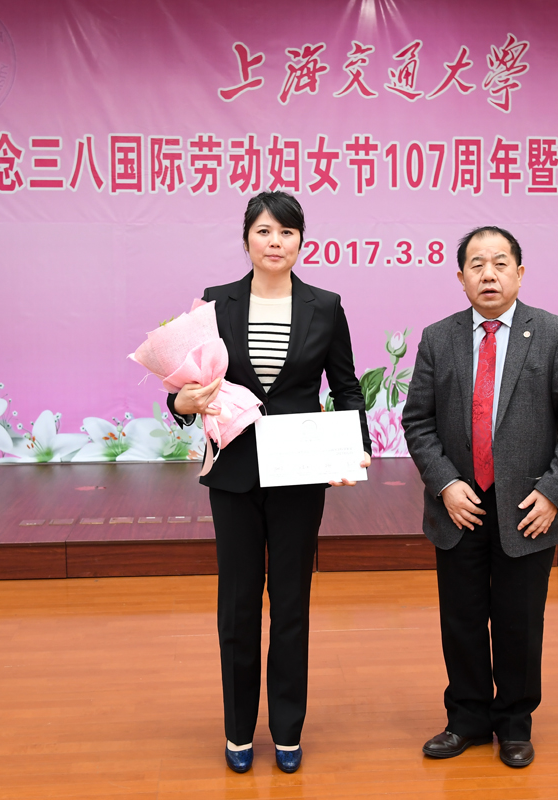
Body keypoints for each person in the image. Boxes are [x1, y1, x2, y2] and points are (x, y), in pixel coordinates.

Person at [168, 191, 371, 775]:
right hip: (233, 472)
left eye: (285, 232)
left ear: (302, 241)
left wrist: (353, 449)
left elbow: (346, 388)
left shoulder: (325, 306)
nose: (274, 241)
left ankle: (287, 729)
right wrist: (181, 404)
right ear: (246, 239)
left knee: (291, 605)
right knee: (236, 607)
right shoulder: (216, 302)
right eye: (263, 231)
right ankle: (238, 731)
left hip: (299, 474)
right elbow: (185, 385)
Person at [402, 226, 558, 768]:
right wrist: (445, 484)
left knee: (519, 620)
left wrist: (553, 493)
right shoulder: (438, 338)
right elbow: (417, 422)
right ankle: (466, 719)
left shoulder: (554, 335)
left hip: (528, 508)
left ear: (520, 273)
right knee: (461, 619)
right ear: (460, 277)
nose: (489, 274)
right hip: (458, 506)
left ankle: (514, 723)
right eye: (477, 264)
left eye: (500, 263)